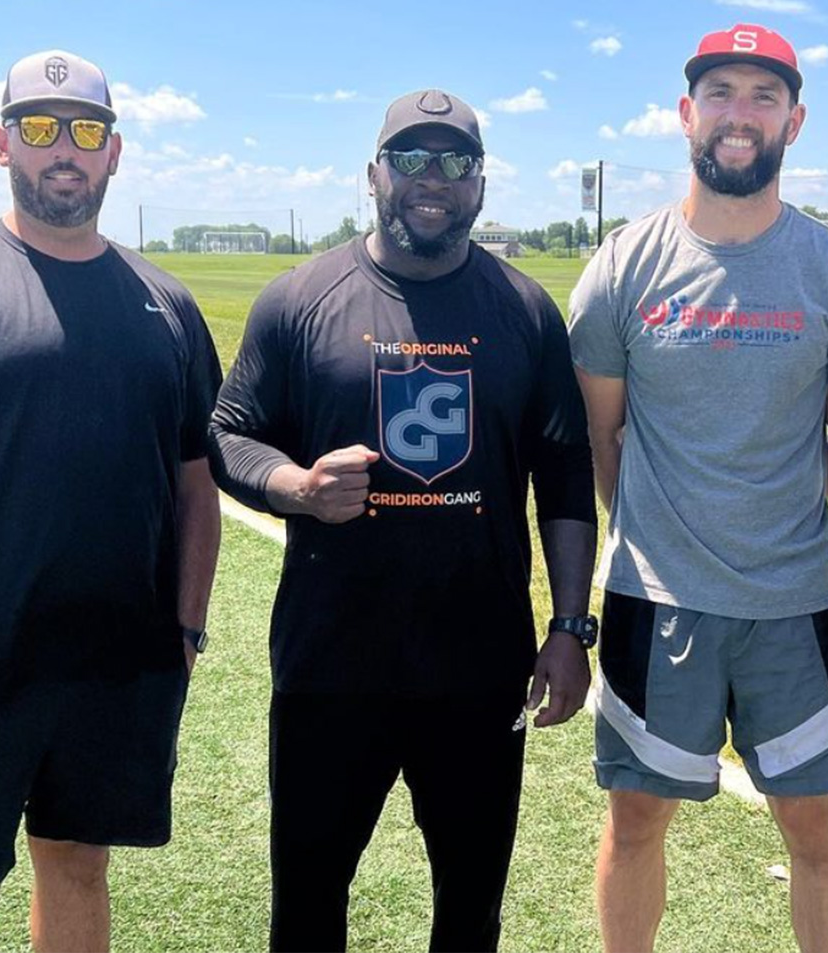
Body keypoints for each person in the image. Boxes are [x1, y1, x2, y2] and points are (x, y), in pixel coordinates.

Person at [209, 88, 597, 953]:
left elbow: (565, 474)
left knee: (470, 911)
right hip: (328, 666)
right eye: (413, 159)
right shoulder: (300, 299)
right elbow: (230, 434)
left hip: (478, 666)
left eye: (455, 162)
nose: (434, 179)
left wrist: (571, 626)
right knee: (307, 905)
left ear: (481, 184)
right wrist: (294, 485)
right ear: (375, 173)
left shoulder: (526, 313)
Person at [567, 22, 828, 953]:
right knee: (634, 823)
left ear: (796, 121)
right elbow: (604, 434)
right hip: (653, 600)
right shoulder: (623, 268)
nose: (739, 115)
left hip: (793, 603)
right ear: (685, 115)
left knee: (817, 831)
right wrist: (658, 529)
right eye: (720, 94)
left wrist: (773, 512)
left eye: (762, 96)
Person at [0, 50, 222, 953]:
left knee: (78, 869)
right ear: (2, 144)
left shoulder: (169, 305)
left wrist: (185, 632)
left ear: (115, 152)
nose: (63, 149)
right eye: (39, 128)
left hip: (117, 671)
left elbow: (198, 488)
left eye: (85, 130)